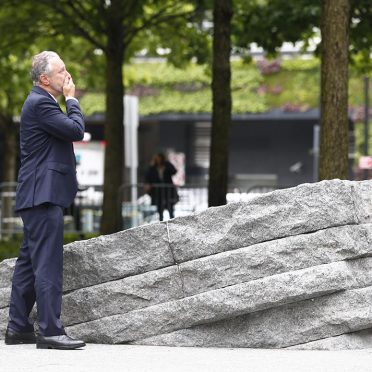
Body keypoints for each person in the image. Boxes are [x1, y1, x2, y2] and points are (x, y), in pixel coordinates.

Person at [4, 51, 86, 350]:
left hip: (38, 194)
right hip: (43, 195)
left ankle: (18, 328)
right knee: (48, 265)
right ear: (44, 79)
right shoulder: (41, 103)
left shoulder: (40, 102)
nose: (67, 75)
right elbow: (76, 130)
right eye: (61, 70)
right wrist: (72, 100)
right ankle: (50, 330)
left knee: (28, 263)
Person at [145, 153, 178, 221]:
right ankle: (161, 224)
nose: (158, 160)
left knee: (170, 210)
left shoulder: (167, 165)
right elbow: (148, 177)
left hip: (168, 192)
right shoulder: (153, 167)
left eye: (159, 158)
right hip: (158, 192)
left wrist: (166, 166)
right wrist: (148, 184)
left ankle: (172, 224)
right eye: (157, 159)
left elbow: (174, 171)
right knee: (160, 211)